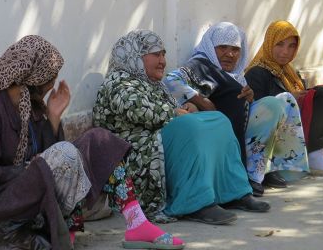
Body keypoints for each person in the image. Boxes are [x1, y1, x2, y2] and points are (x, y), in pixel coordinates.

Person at [0, 35, 184, 250]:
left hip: (36, 190)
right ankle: (67, 229)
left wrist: (53, 118)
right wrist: (26, 170)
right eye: (50, 77)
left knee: (98, 139)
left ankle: (136, 223)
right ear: (35, 77)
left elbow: (49, 158)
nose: (52, 85)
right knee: (66, 153)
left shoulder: (34, 107)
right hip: (2, 202)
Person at [93, 30, 269, 225]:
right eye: (156, 55)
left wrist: (187, 107)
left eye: (163, 54)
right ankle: (194, 202)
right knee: (188, 127)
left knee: (218, 120)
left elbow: (167, 109)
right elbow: (141, 111)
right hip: (137, 154)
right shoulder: (117, 83)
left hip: (158, 140)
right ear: (135, 56)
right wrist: (175, 113)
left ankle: (233, 192)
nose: (162, 61)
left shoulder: (152, 83)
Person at [163, 22, 309, 197]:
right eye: (222, 47)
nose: (230, 54)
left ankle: (258, 172)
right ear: (211, 47)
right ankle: (238, 177)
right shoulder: (201, 64)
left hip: (238, 132)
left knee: (278, 103)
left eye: (235, 49)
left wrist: (250, 98)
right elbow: (171, 80)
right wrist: (203, 102)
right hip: (213, 131)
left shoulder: (238, 75)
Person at [244, 20, 323, 176]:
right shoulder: (256, 73)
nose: (285, 52)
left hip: (297, 125)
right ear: (269, 43)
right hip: (278, 135)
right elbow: (259, 113)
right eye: (280, 44)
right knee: (322, 93)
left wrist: (299, 97)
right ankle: (314, 155)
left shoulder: (289, 72)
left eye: (291, 46)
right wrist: (290, 98)